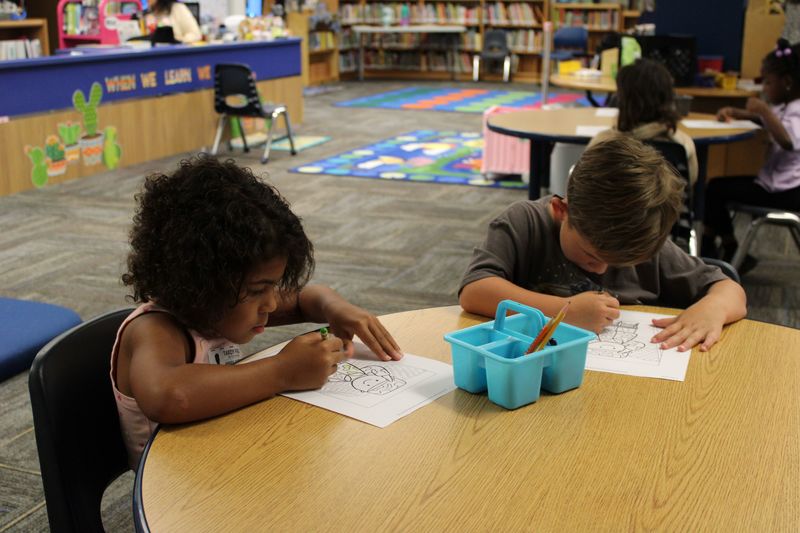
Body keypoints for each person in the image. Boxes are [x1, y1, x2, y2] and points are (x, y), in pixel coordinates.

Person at [112, 156, 403, 468]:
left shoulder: (222, 308)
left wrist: (336, 308)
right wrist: (282, 371)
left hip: (229, 458)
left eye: (273, 286)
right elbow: (169, 396)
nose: (272, 304)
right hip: (171, 495)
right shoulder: (155, 330)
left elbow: (310, 296)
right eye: (257, 291)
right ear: (200, 282)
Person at [459, 136, 746, 353]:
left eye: (620, 263)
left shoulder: (640, 242)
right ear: (562, 210)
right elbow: (474, 291)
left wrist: (713, 308)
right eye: (591, 255)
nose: (602, 268)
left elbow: (728, 287)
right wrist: (564, 311)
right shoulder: (524, 223)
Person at [702, 39, 800, 263]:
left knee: (715, 190)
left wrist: (765, 111)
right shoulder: (787, 107)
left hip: (785, 192)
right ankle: (721, 246)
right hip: (778, 185)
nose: (764, 89)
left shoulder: (797, 110)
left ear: (786, 82)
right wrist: (738, 112)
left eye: (767, 83)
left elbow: (788, 141)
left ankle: (717, 248)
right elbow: (772, 122)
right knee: (717, 188)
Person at [590, 58, 698, 186]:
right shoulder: (683, 144)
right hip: (666, 206)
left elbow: (584, 185)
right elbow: (690, 182)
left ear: (623, 101)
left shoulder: (602, 143)